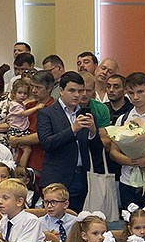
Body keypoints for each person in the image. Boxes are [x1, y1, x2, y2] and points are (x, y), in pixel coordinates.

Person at [35, 72, 101, 212]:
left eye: (80, 91)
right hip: (56, 178)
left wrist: (93, 132)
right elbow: (47, 143)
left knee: (75, 221)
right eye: (72, 90)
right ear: (61, 91)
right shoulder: (47, 113)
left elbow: (96, 150)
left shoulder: (85, 114)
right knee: (54, 223)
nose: (77, 95)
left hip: (80, 177)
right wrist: (73, 130)